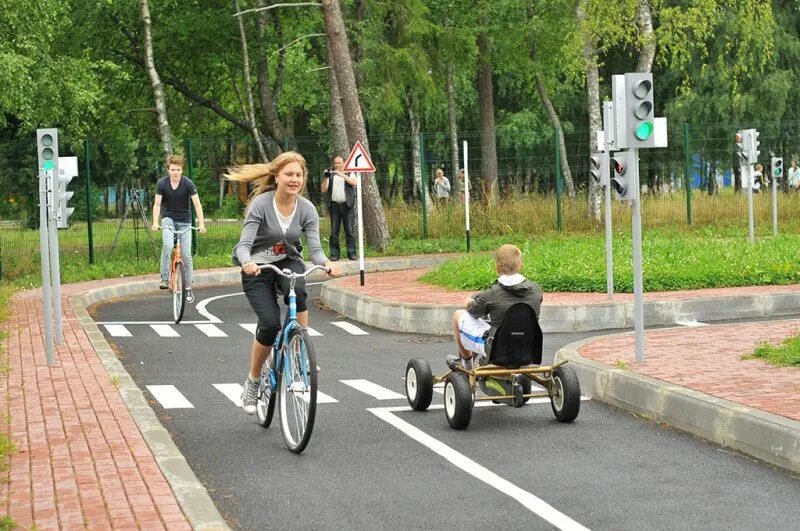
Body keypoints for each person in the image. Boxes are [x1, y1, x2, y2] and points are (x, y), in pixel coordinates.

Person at [226, 151, 342, 415]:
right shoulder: (261, 205)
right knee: (269, 324)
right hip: (257, 268)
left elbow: (315, 250)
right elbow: (244, 245)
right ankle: (253, 381)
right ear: (277, 176)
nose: (294, 180)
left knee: (299, 291)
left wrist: (327, 263)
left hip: (287, 262)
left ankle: (300, 349)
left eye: (298, 175)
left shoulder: (307, 209)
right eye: (289, 174)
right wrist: (247, 262)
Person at [447, 244, 543, 370]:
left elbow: (474, 312)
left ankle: (466, 366)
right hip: (529, 348)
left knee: (458, 315)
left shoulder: (491, 294)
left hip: (497, 350)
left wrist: (468, 302)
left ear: (497, 267)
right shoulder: (536, 290)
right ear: (521, 265)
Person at [151, 154, 206, 303]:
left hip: (185, 221)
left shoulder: (188, 184)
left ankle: (188, 287)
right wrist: (155, 222)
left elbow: (197, 205)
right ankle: (164, 278)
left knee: (187, 255)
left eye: (178, 169)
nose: (175, 172)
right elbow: (157, 205)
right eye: (173, 169)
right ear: (168, 170)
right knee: (168, 245)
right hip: (168, 219)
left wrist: (201, 224)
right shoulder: (162, 184)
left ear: (182, 170)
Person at [320, 155, 357, 260]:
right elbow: (323, 189)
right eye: (335, 163)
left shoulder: (349, 173)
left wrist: (342, 175)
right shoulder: (330, 175)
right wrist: (325, 177)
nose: (337, 165)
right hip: (334, 206)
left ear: (344, 163)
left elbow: (354, 183)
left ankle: (352, 253)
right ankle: (334, 254)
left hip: (347, 205)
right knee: (334, 232)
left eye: (339, 163)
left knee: (349, 230)